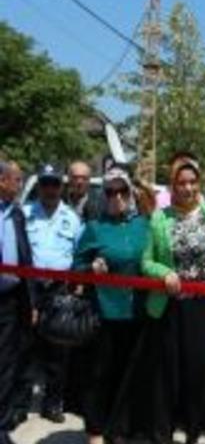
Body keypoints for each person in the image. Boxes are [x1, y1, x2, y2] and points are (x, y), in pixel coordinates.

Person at [139, 153, 205, 444]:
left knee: (200, 376)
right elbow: (146, 262)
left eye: (193, 182)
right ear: (172, 186)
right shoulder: (160, 218)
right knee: (169, 376)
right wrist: (164, 272)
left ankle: (193, 434)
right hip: (170, 308)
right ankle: (165, 434)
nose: (188, 188)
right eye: (182, 183)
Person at [70, 167, 149, 444]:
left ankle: (119, 430)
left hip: (136, 313)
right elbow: (75, 268)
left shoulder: (144, 225)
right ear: (103, 195)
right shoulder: (95, 227)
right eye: (110, 191)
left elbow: (152, 262)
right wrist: (90, 267)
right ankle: (95, 430)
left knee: (128, 374)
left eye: (121, 191)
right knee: (99, 374)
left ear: (130, 193)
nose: (116, 196)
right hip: (103, 312)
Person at [22, 164, 84, 424]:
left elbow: (79, 255)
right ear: (39, 186)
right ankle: (21, 401)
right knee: (25, 346)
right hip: (28, 288)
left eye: (55, 184)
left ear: (61, 187)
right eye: (46, 184)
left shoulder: (72, 217)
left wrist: (78, 283)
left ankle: (53, 403)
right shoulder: (24, 214)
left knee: (58, 349)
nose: (50, 189)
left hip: (59, 288)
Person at [0, 160, 32, 444]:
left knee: (6, 361)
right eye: (17, 180)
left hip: (10, 300)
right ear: (2, 181)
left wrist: (30, 300)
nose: (20, 186)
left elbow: (25, 258)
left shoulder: (17, 214)